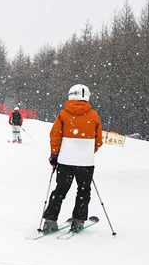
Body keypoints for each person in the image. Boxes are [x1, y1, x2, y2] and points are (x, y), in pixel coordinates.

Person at [41, 84, 103, 234]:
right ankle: (78, 220)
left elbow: (55, 136)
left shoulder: (63, 115)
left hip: (65, 161)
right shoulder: (93, 116)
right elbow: (98, 140)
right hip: (85, 162)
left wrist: (54, 156)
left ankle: (50, 220)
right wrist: (87, 151)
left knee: (60, 190)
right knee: (83, 191)